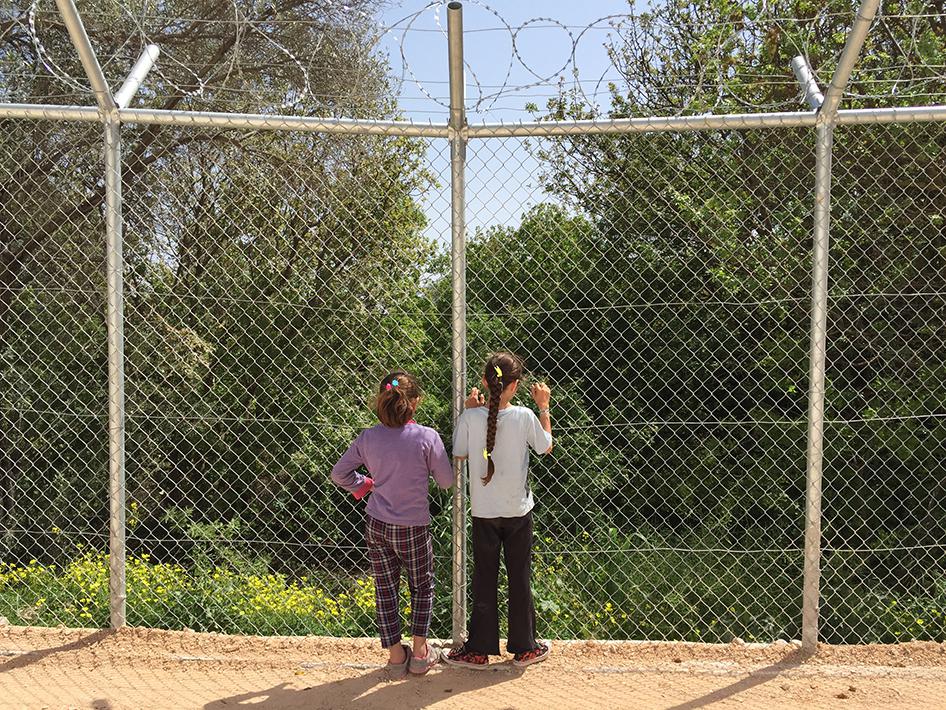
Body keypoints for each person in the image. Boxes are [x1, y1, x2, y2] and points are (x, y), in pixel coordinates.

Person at [331, 370, 453, 676]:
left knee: (385, 588)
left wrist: (366, 484)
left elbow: (339, 474)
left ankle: (396, 656)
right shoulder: (427, 437)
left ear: (381, 401)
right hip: (413, 526)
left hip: (377, 524)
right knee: (422, 586)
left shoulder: (368, 437)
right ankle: (422, 653)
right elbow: (446, 482)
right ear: (415, 403)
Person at [444, 352, 553, 669]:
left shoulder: (471, 417)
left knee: (484, 578)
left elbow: (460, 454)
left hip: (484, 513)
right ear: (516, 386)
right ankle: (525, 648)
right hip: (518, 512)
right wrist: (544, 406)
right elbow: (546, 446)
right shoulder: (524, 416)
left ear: (484, 382)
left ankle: (478, 649)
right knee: (519, 576)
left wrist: (468, 412)